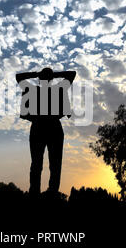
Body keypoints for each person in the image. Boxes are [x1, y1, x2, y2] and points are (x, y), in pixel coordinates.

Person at [16, 68, 76, 197]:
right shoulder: (57, 89)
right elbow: (71, 74)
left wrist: (37, 74)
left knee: (43, 164)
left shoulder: (35, 90)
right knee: (47, 164)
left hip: (42, 127)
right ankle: (43, 192)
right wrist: (52, 74)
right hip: (48, 127)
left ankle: (45, 192)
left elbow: (19, 77)